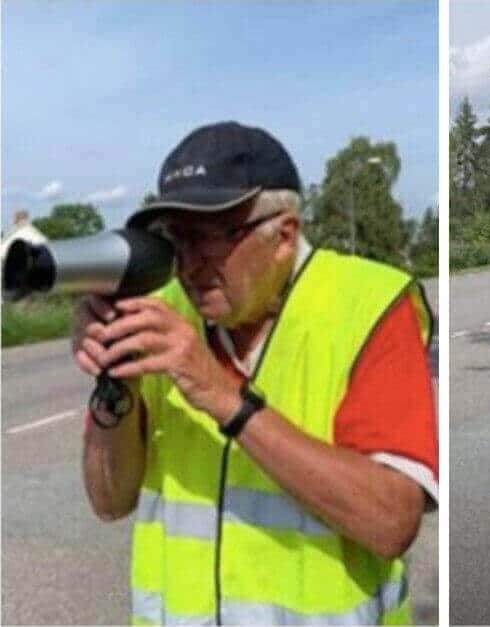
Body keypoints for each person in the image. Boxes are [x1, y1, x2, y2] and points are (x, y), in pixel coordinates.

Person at [72, 121, 436, 624]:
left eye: (208, 240)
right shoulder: (163, 314)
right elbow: (109, 500)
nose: (189, 266)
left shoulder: (368, 308)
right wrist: (114, 386)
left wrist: (223, 396)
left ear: (283, 235)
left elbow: (392, 522)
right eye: (176, 240)